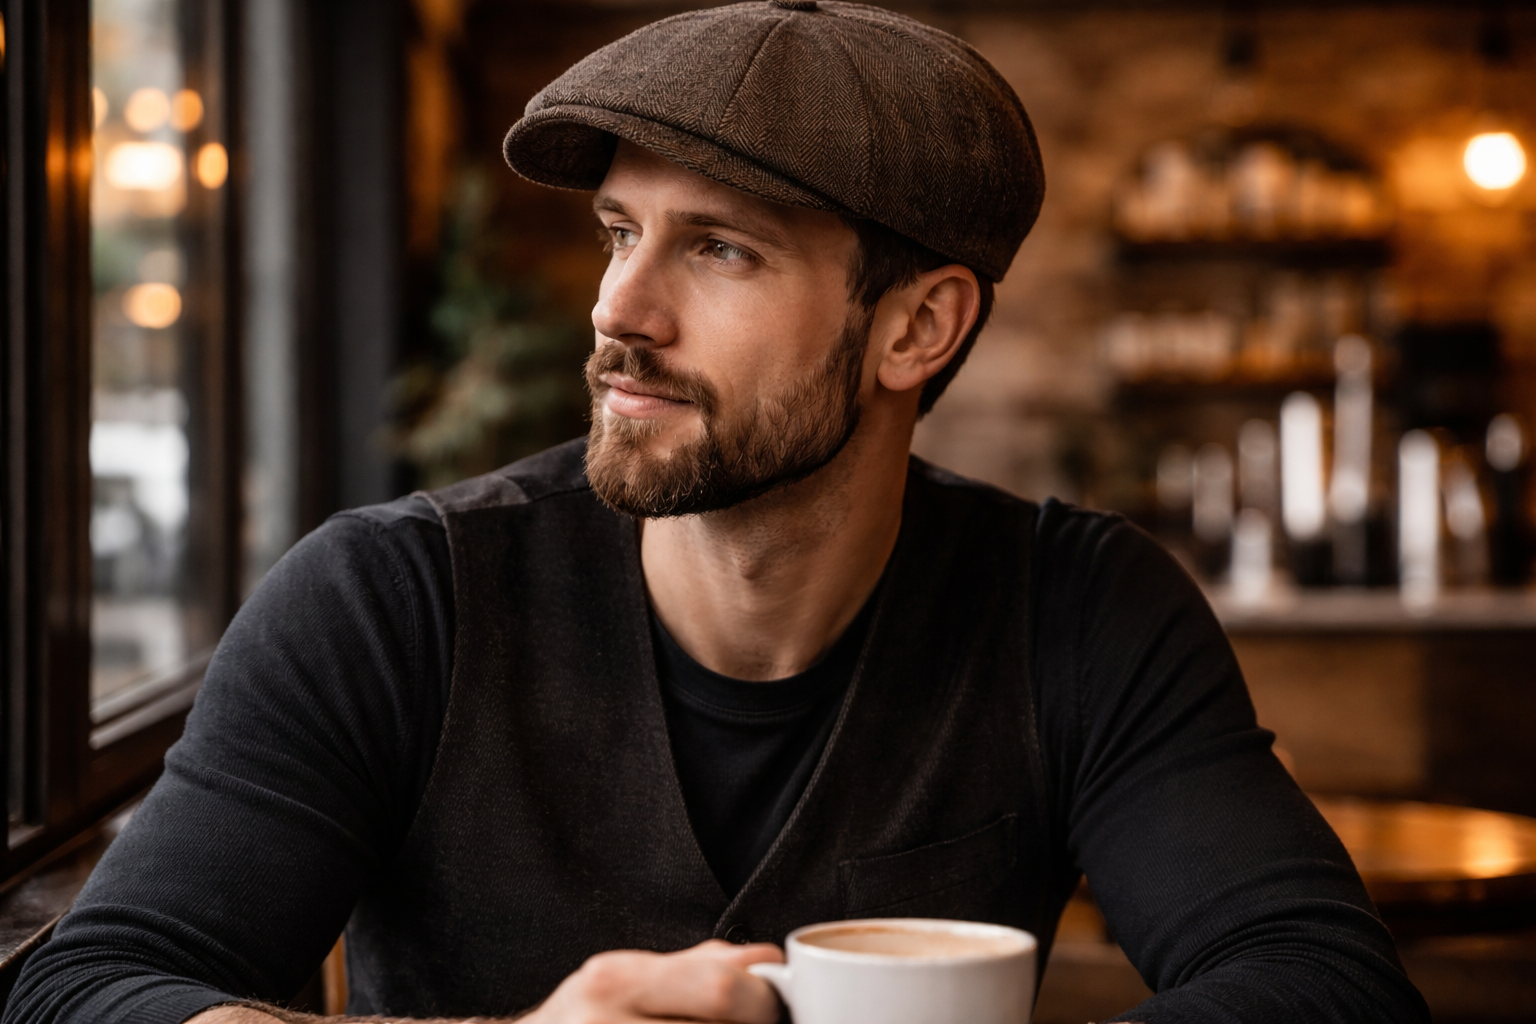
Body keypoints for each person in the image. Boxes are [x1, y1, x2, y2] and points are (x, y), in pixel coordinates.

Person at [7, 3, 1428, 1023]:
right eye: (622, 233)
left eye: (722, 248)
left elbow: (1320, 977)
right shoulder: (391, 598)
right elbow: (87, 987)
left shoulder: (1080, 609)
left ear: (916, 328)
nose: (619, 309)